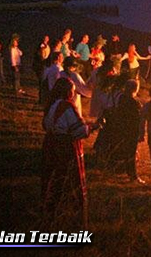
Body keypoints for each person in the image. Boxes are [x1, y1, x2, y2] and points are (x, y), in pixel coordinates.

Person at [41, 78, 100, 230]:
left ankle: (51, 212)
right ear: (68, 91)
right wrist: (92, 127)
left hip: (51, 146)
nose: (74, 93)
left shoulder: (52, 105)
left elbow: (48, 125)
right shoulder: (67, 107)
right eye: (73, 90)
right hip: (65, 148)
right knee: (69, 181)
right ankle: (72, 217)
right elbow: (79, 131)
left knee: (55, 179)